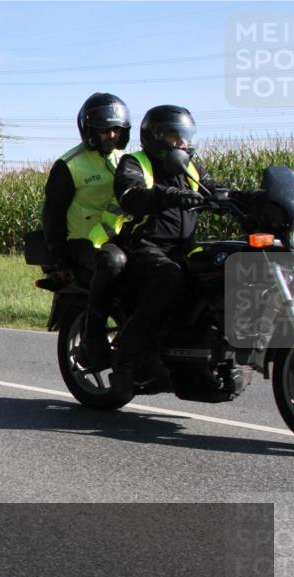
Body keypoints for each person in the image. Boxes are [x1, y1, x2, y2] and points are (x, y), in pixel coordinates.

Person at [88, 105, 220, 394]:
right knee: (169, 277)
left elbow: (212, 187)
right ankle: (126, 355)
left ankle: (202, 353)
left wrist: (243, 198)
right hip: (145, 246)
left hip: (184, 247)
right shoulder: (134, 163)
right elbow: (130, 194)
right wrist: (171, 196)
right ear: (158, 138)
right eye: (177, 137)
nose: (184, 144)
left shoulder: (190, 167)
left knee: (218, 269)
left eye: (186, 137)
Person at [42, 92, 131, 288]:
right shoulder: (69, 165)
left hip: (120, 238)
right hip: (83, 244)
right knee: (117, 274)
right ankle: (95, 319)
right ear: (90, 131)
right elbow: (52, 216)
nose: (112, 135)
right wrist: (61, 260)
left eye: (116, 129)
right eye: (105, 130)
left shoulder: (125, 160)